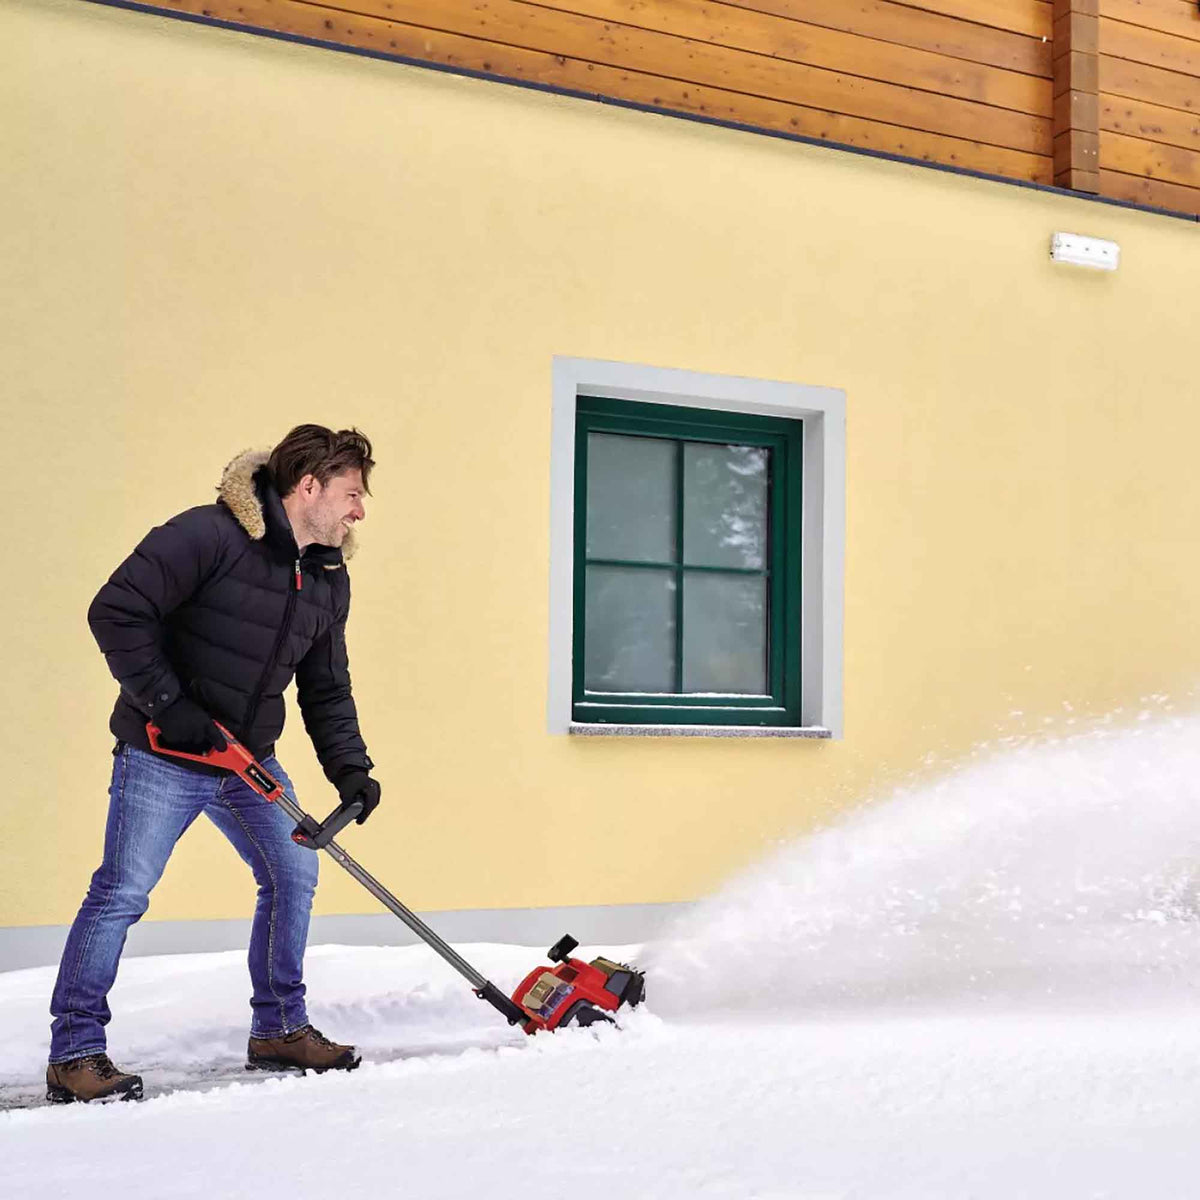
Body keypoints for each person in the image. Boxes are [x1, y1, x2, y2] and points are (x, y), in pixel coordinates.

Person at [46, 425, 383, 1104]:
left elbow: (325, 686)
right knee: (122, 892)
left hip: (246, 760)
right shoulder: (208, 535)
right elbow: (116, 610)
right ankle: (75, 1051)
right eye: (351, 493)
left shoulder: (325, 576)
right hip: (162, 753)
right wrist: (170, 706)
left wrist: (351, 767)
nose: (359, 511)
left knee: (293, 874)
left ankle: (280, 1029)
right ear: (308, 485)